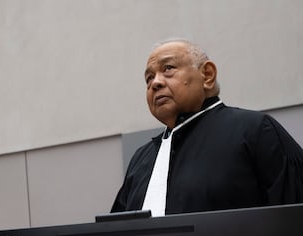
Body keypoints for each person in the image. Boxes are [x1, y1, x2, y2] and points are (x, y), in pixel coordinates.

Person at [111, 39, 303, 215]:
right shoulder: (141, 159)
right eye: (149, 78)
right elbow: (116, 235)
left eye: (168, 68)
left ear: (207, 75)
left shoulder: (255, 130)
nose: (156, 83)